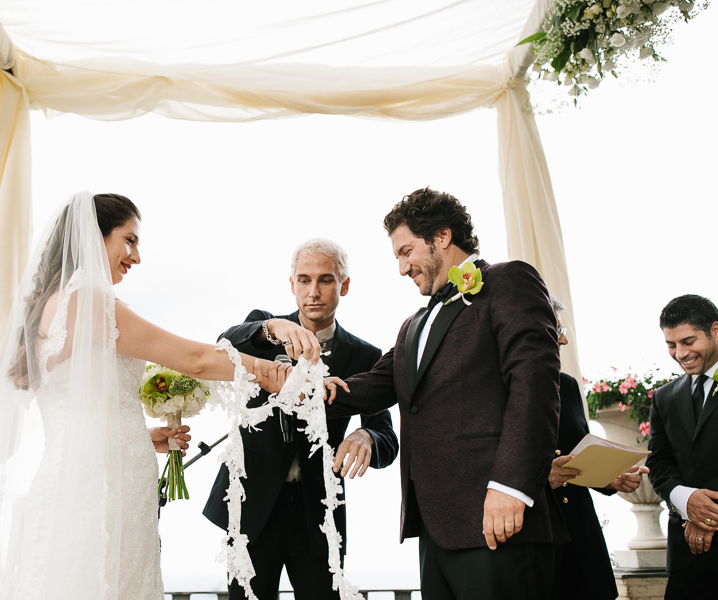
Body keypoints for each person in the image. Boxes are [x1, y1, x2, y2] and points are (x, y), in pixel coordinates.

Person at [0, 191, 296, 600]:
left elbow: (77, 412)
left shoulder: (50, 306)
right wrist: (274, 367)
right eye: (129, 240)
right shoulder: (89, 301)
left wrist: (140, 435)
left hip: (77, 476)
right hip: (103, 488)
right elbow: (194, 360)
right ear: (94, 238)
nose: (136, 256)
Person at [324, 187, 566, 600]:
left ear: (441, 236)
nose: (402, 268)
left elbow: (535, 386)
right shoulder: (413, 324)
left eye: (405, 252)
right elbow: (377, 384)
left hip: (497, 519)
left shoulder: (508, 281)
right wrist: (295, 385)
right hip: (435, 530)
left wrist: (511, 487)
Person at [203, 238, 399, 600]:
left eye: (325, 280)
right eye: (304, 280)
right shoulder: (264, 330)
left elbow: (387, 435)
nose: (314, 292)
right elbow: (223, 344)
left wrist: (368, 436)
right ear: (292, 284)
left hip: (318, 514)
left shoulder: (366, 355)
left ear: (344, 285)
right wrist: (272, 328)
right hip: (254, 508)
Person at [547, 298, 646, 600]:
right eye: (556, 329)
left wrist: (610, 478)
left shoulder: (567, 385)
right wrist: (541, 478)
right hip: (538, 546)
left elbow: (581, 453)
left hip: (582, 540)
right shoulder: (493, 390)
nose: (563, 339)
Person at [646, 294, 718, 600]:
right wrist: (687, 502)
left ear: (716, 330)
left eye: (688, 341)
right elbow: (659, 464)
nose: (680, 353)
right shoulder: (664, 397)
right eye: (671, 345)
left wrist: (708, 517)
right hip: (688, 555)